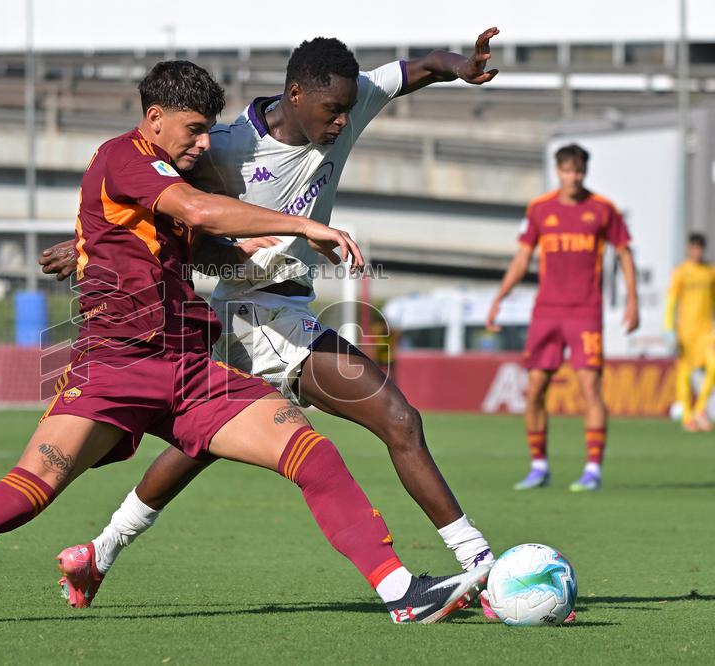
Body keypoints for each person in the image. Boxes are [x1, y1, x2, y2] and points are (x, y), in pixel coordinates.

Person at [0, 60, 489, 627]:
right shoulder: (124, 155)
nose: (204, 142)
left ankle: (403, 593)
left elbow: (189, 234)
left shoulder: (174, 173)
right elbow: (197, 212)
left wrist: (237, 248)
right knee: (27, 490)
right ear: (153, 118)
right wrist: (296, 226)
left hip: (188, 367)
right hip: (112, 368)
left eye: (209, 128)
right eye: (193, 128)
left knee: (310, 453)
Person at [41, 31, 500, 610]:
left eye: (346, 110)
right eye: (331, 112)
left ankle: (98, 553)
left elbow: (421, 67)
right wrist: (84, 241)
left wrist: (462, 65)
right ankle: (481, 567)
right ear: (295, 94)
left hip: (281, 310)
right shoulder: (226, 149)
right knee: (398, 418)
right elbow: (172, 216)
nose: (340, 123)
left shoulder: (350, 98)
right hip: (253, 314)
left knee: (198, 445)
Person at [486, 143, 640, 493]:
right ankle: (539, 466)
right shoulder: (541, 209)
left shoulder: (603, 209)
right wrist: (499, 298)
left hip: (585, 312)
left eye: (580, 171)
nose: (574, 177)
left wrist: (633, 302)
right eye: (568, 171)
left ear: (585, 172)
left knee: (590, 387)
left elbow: (625, 255)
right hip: (547, 311)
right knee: (536, 387)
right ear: (558, 171)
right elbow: (523, 257)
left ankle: (592, 469)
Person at [664, 233, 715, 432]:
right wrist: (668, 328)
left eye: (700, 248)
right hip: (685, 331)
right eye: (693, 247)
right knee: (684, 372)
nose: (697, 252)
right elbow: (671, 302)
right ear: (688, 249)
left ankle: (700, 408)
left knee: (713, 366)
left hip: (706, 332)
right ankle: (688, 416)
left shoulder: (710, 272)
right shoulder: (681, 272)